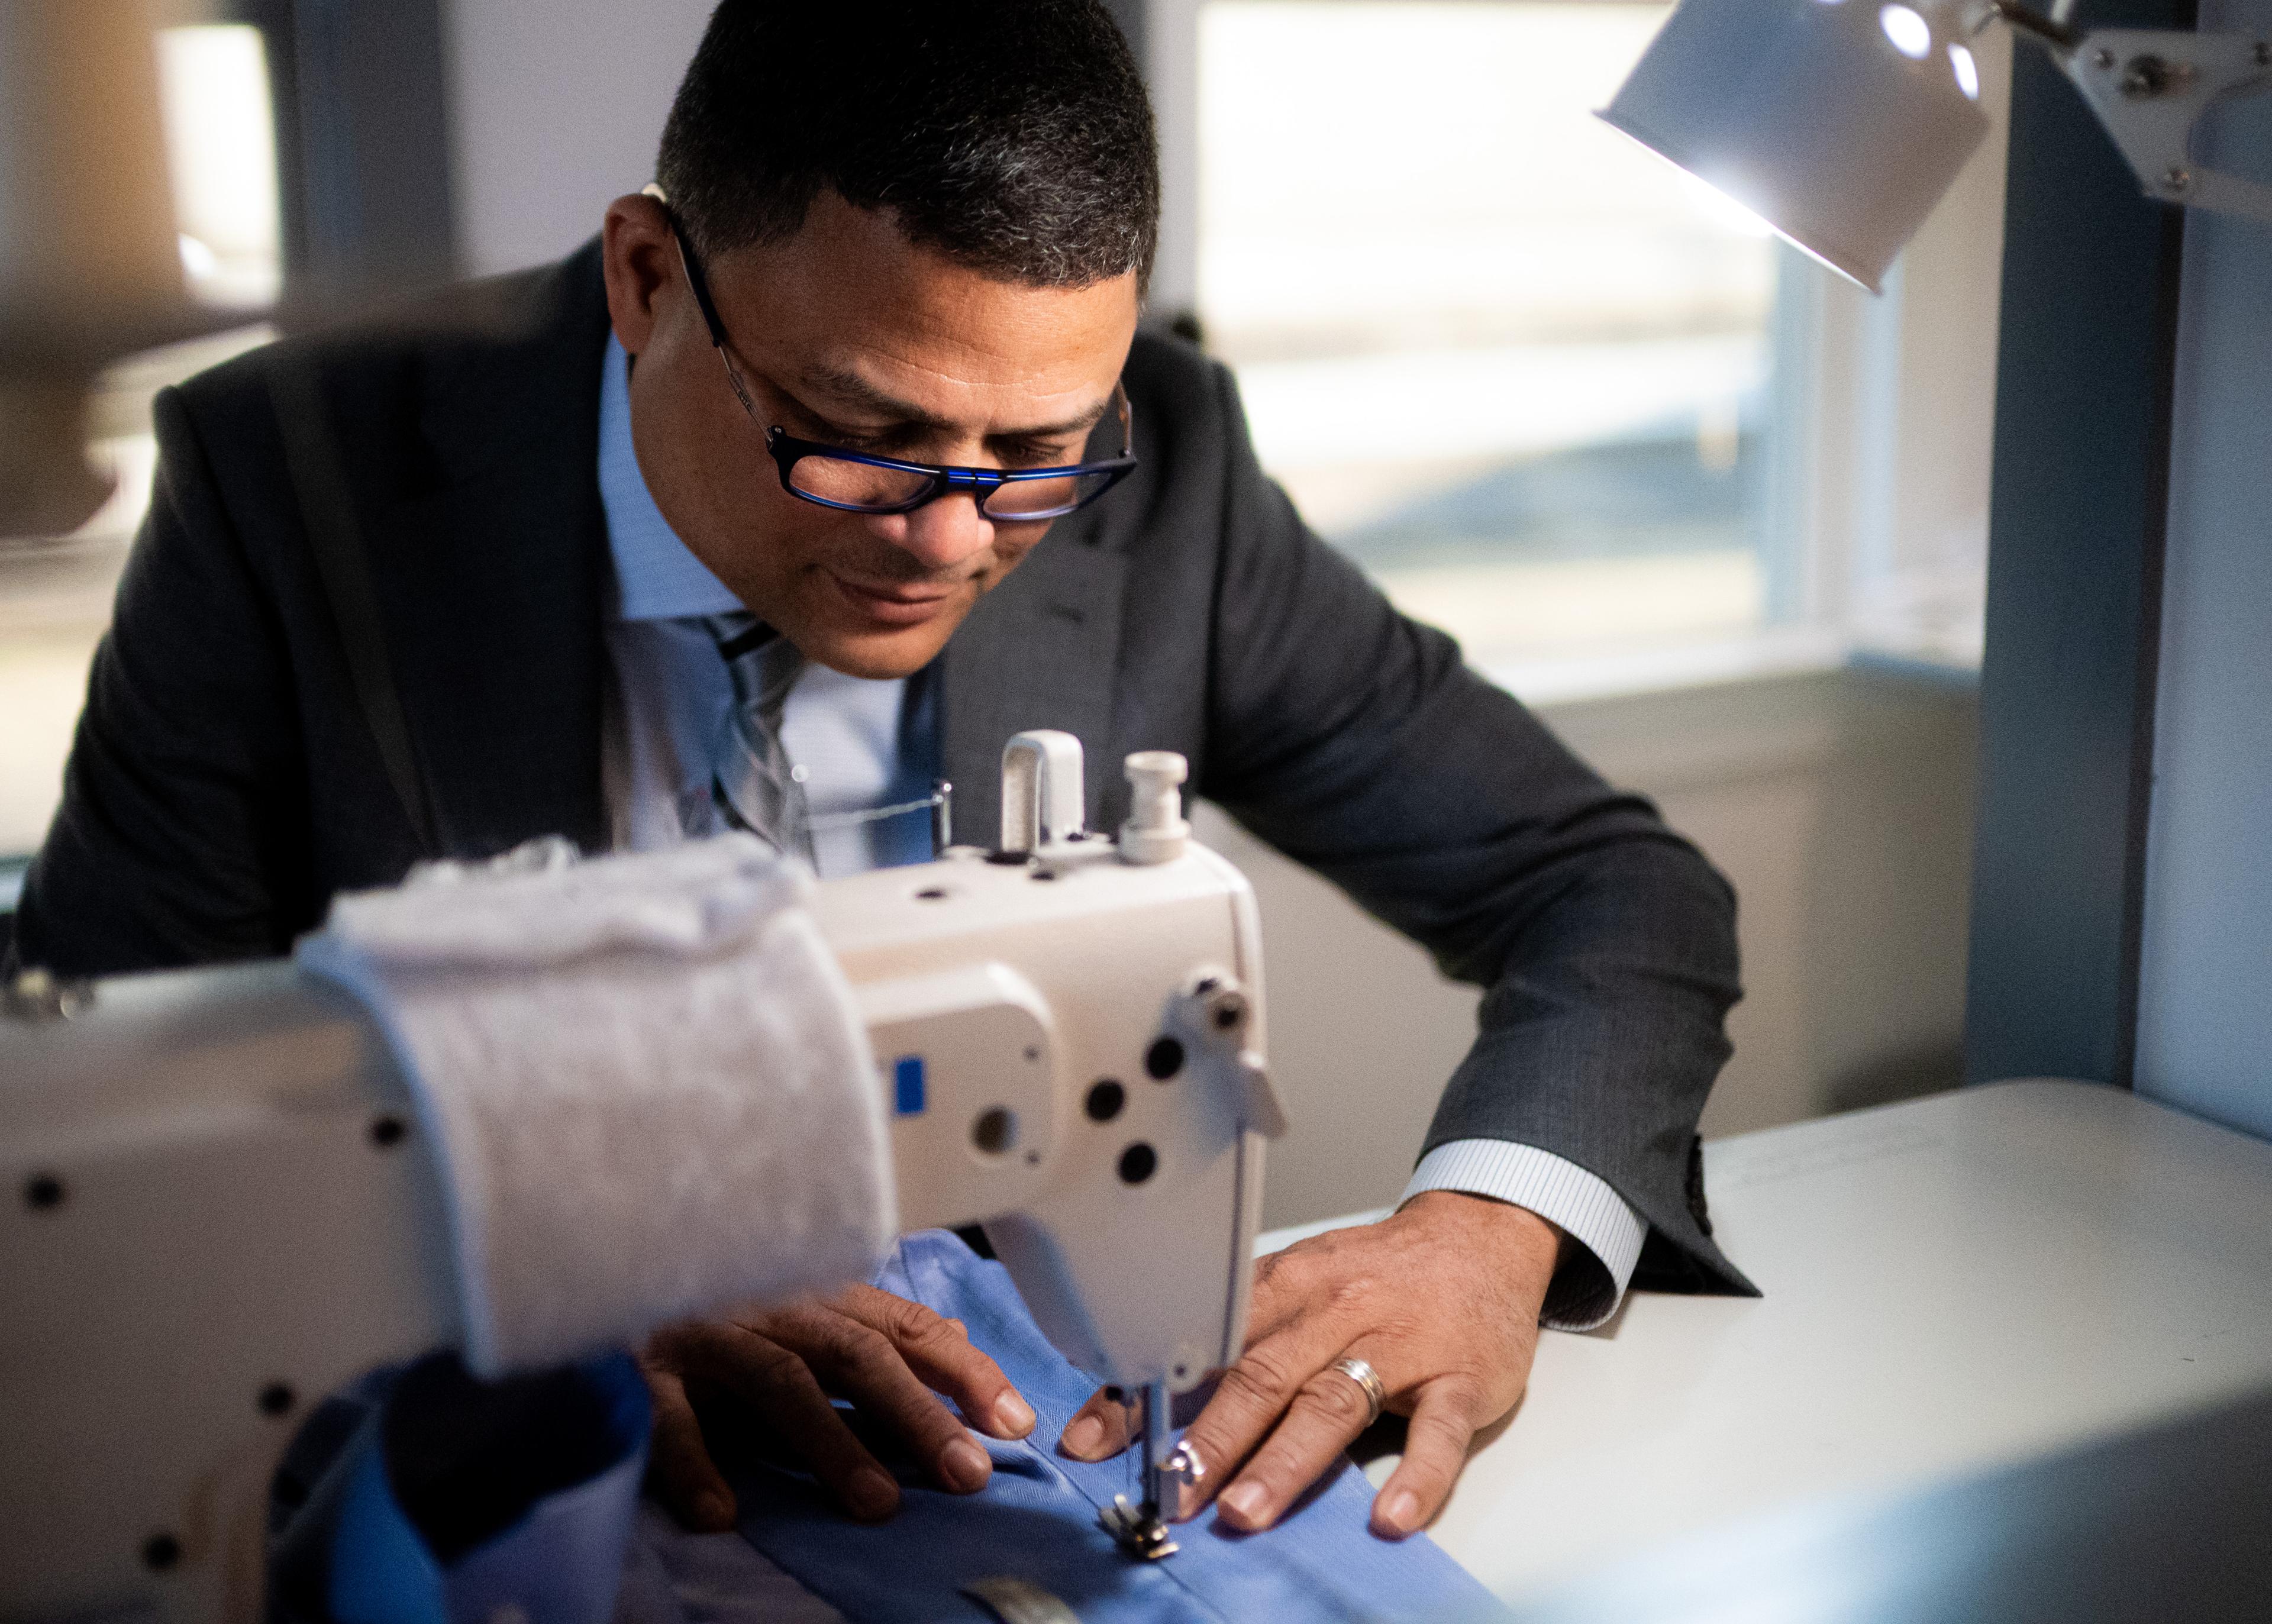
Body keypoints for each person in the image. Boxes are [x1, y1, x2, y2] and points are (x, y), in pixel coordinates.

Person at [15, 0, 1749, 1546]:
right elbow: (80, 1120)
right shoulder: (294, 480)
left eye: (1035, 454)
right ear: (644, 279)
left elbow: (1609, 885)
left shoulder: (1173, 475)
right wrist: (522, 1275)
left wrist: (1484, 1230)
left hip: (938, 1468)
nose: (947, 537)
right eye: (862, 435)